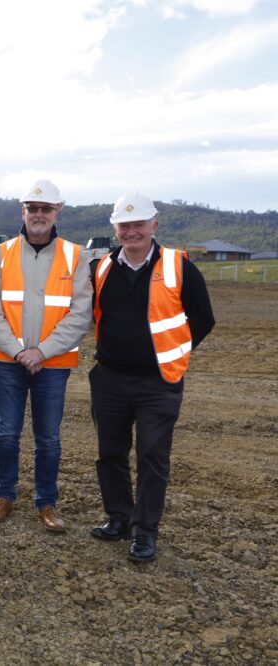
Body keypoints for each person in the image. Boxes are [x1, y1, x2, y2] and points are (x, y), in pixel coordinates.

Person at [90, 191, 214, 562]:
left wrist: (171, 353)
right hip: (109, 378)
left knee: (152, 455)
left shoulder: (179, 266)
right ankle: (119, 518)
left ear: (154, 225)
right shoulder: (103, 267)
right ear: (115, 228)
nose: (131, 232)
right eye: (124, 226)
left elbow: (203, 320)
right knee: (110, 453)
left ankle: (145, 532)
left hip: (158, 381)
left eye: (138, 225)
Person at [0, 179, 92, 532]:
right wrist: (19, 352)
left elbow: (80, 314)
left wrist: (42, 351)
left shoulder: (76, 256)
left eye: (46, 208)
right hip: (7, 360)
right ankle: (5, 496)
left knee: (49, 438)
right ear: (23, 211)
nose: (39, 214)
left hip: (53, 363)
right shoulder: (2, 253)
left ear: (58, 211)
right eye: (33, 208)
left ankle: (46, 503)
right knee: (6, 433)